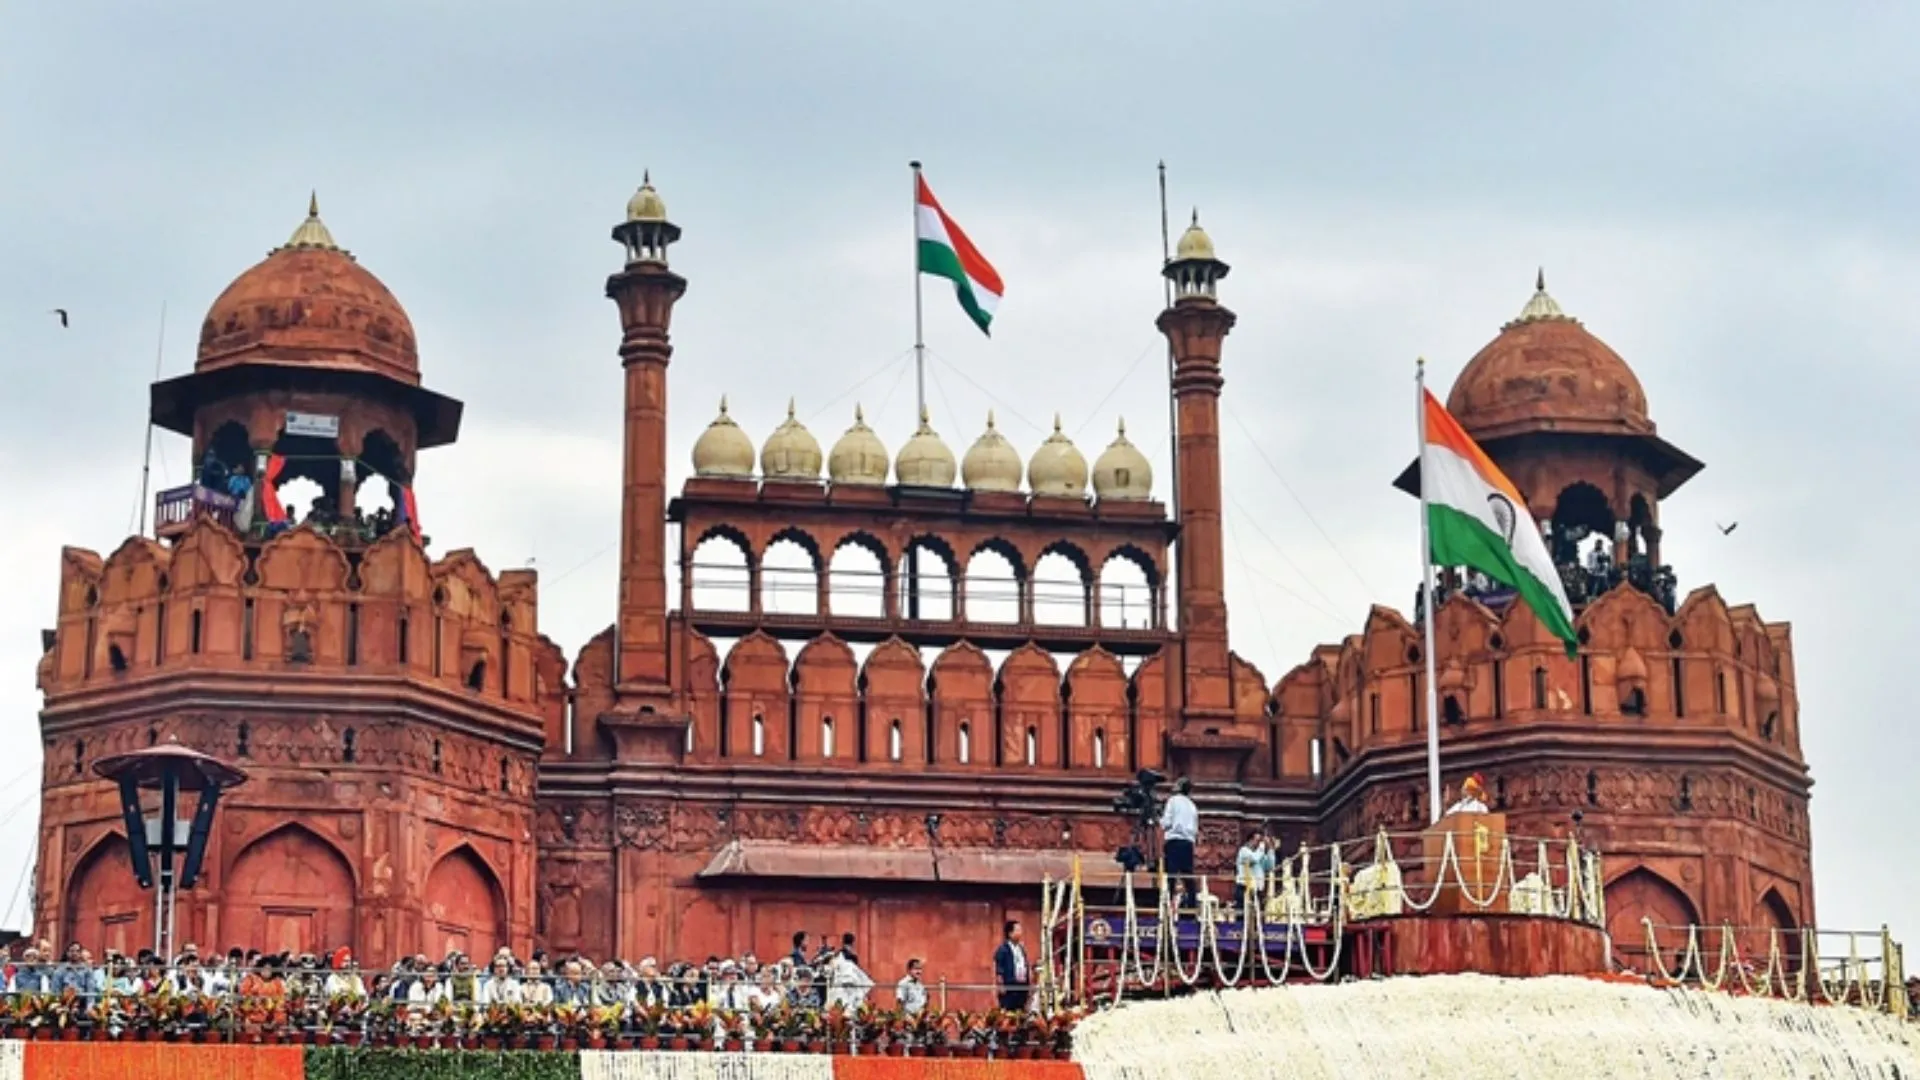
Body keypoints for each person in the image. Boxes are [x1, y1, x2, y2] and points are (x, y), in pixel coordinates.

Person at [1160, 776, 1199, 910]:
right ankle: (1192, 906)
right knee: (1188, 876)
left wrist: (1159, 820)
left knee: (1171, 875)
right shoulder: (1192, 805)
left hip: (1174, 841)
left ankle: (1167, 905)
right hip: (1188, 843)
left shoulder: (1173, 801)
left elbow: (1167, 822)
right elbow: (1195, 828)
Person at [993, 920, 1030, 1012]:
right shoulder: (1003, 949)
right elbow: (999, 969)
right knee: (1009, 1012)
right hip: (1010, 986)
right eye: (1017, 930)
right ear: (1010, 933)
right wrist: (1001, 985)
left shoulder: (1021, 948)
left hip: (1022, 985)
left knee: (1021, 1010)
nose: (1020, 933)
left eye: (1020, 930)